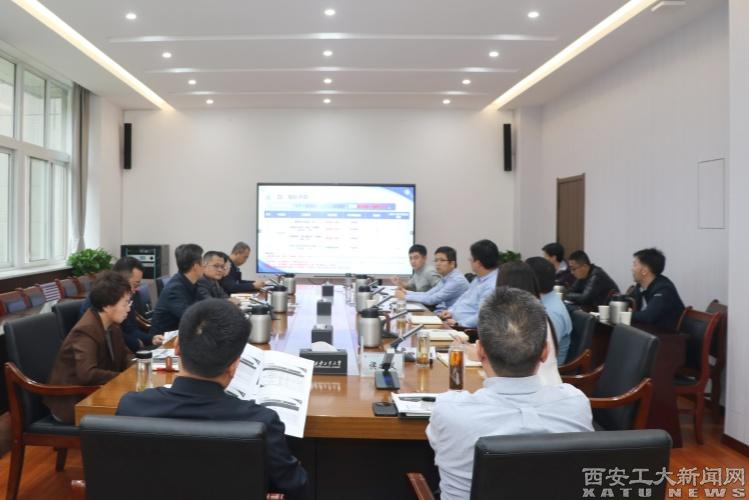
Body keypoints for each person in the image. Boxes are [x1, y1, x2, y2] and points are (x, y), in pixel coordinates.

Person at [117, 299, 311, 500]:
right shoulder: (261, 422)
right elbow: (296, 488)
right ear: (234, 366)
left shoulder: (131, 408)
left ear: (177, 347)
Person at [427, 287, 593, 500]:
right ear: (545, 352)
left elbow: (438, 446)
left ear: (480, 351)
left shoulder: (450, 410)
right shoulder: (576, 403)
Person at [44, 272, 133, 424]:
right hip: (73, 403)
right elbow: (88, 374)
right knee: (135, 414)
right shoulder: (85, 330)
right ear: (107, 306)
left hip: (97, 393)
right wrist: (124, 377)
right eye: (125, 304)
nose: (128, 309)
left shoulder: (113, 326)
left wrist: (137, 366)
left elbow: (126, 354)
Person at [495, 261, 561, 386]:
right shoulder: (538, 313)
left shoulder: (518, 319)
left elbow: (506, 362)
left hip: (535, 388)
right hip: (548, 385)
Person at [80, 256, 163, 351]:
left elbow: (130, 329)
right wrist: (136, 343)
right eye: (135, 285)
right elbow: (109, 336)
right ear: (121, 280)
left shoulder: (124, 297)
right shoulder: (99, 300)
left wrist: (151, 339)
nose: (136, 290)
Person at [440, 240, 500, 328]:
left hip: (465, 330)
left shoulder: (492, 285)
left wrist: (458, 324)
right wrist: (451, 311)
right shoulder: (479, 278)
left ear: (478, 263)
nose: (469, 260)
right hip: (453, 322)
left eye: (471, 258)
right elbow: (464, 297)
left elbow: (482, 316)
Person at [526, 256, 572, 364]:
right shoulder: (545, 300)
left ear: (532, 281)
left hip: (546, 368)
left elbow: (543, 355)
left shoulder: (551, 312)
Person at [149, 244, 203, 335]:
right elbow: (190, 317)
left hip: (183, 333)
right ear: (195, 266)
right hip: (164, 339)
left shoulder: (192, 282)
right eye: (202, 262)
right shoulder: (175, 289)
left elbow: (205, 305)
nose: (204, 266)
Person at [394, 246, 469, 310]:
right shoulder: (446, 278)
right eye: (436, 260)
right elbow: (428, 294)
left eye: (442, 260)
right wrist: (406, 292)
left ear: (452, 263)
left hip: (454, 318)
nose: (437, 264)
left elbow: (432, 299)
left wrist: (405, 296)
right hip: (445, 313)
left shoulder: (456, 280)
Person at [628, 248, 685, 330]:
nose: (632, 269)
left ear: (644, 271)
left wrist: (627, 314)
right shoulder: (640, 286)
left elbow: (648, 316)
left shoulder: (664, 289)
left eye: (635, 265)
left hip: (667, 335)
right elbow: (628, 302)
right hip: (647, 331)